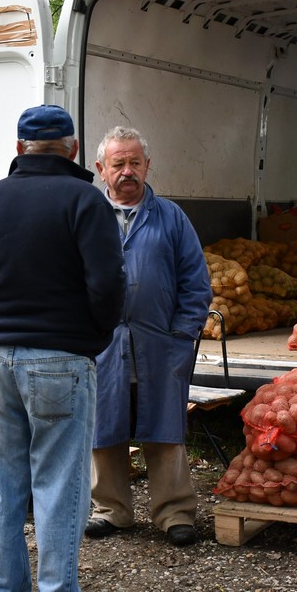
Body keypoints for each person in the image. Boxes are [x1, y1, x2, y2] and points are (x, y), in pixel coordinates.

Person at [0, 104, 126, 592]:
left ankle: (3, 587)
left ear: (19, 148)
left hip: (1, 360)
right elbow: (108, 284)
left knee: (3, 486)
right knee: (60, 487)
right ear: (72, 149)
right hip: (63, 361)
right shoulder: (85, 201)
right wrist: (92, 336)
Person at [84, 126, 212, 548]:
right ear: (101, 169)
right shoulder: (86, 215)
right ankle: (111, 510)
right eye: (118, 164)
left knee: (165, 428)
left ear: (147, 166)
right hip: (102, 345)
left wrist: (182, 333)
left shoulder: (171, 216)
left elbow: (196, 283)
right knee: (104, 429)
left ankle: (174, 513)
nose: (127, 172)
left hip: (161, 344)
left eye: (134, 162)